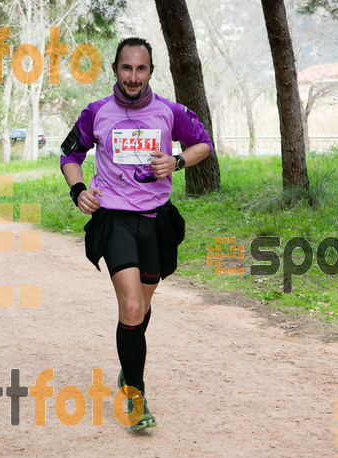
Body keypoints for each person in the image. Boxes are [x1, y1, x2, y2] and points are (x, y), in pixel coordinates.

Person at [59, 37, 212, 431]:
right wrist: (79, 191)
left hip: (156, 222)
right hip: (115, 220)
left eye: (140, 68)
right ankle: (135, 395)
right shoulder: (96, 113)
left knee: (140, 308)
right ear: (115, 70)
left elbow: (203, 145)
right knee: (130, 308)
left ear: (150, 72)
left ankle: (127, 370)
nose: (133, 76)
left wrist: (176, 161)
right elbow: (70, 155)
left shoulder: (169, 112)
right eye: (126, 68)